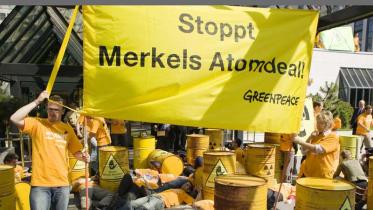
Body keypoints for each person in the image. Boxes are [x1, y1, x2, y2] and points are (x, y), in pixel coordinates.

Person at [10, 91, 89, 210]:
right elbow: (14, 118)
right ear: (46, 109)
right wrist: (37, 101)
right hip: (40, 185)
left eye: (56, 110)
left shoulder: (67, 129)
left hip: (62, 184)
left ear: (63, 111)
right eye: (50, 109)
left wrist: (83, 157)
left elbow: (76, 153)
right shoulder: (37, 123)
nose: (52, 112)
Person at [294, 110, 340, 178]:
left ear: (328, 124)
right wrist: (310, 137)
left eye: (321, 123)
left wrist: (300, 141)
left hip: (323, 175)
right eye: (317, 122)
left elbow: (318, 149)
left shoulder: (333, 137)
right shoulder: (316, 135)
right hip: (309, 173)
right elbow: (303, 151)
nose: (317, 125)